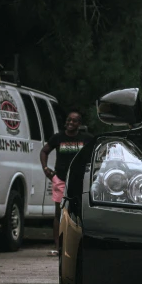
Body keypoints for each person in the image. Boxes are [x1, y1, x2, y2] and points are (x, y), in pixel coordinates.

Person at [40, 109, 93, 256]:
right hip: (60, 179)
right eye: (69, 120)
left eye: (74, 121)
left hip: (79, 181)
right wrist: (46, 169)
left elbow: (97, 152)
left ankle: (78, 247)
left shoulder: (86, 139)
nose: (70, 123)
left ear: (79, 124)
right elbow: (44, 151)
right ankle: (58, 247)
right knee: (59, 213)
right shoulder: (58, 138)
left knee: (78, 212)